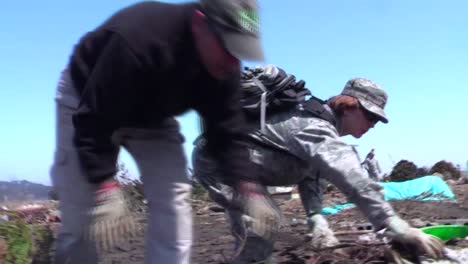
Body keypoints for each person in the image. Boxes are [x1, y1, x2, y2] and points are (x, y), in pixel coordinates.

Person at [50, 1, 273, 263]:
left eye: (240, 51)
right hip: (88, 102)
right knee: (82, 218)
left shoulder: (225, 69)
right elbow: (93, 121)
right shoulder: (140, 39)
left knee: (174, 202)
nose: (232, 60)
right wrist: (105, 184)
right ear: (200, 22)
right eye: (227, 47)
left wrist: (249, 187)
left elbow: (227, 132)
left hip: (153, 117)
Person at [192, 72, 444, 263]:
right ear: (349, 106)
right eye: (370, 116)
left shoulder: (323, 131)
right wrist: (392, 222)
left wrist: (316, 216)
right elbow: (352, 177)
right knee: (264, 224)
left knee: (259, 235)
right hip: (219, 164)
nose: (373, 124)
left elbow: (310, 174)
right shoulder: (314, 128)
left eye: (377, 120)